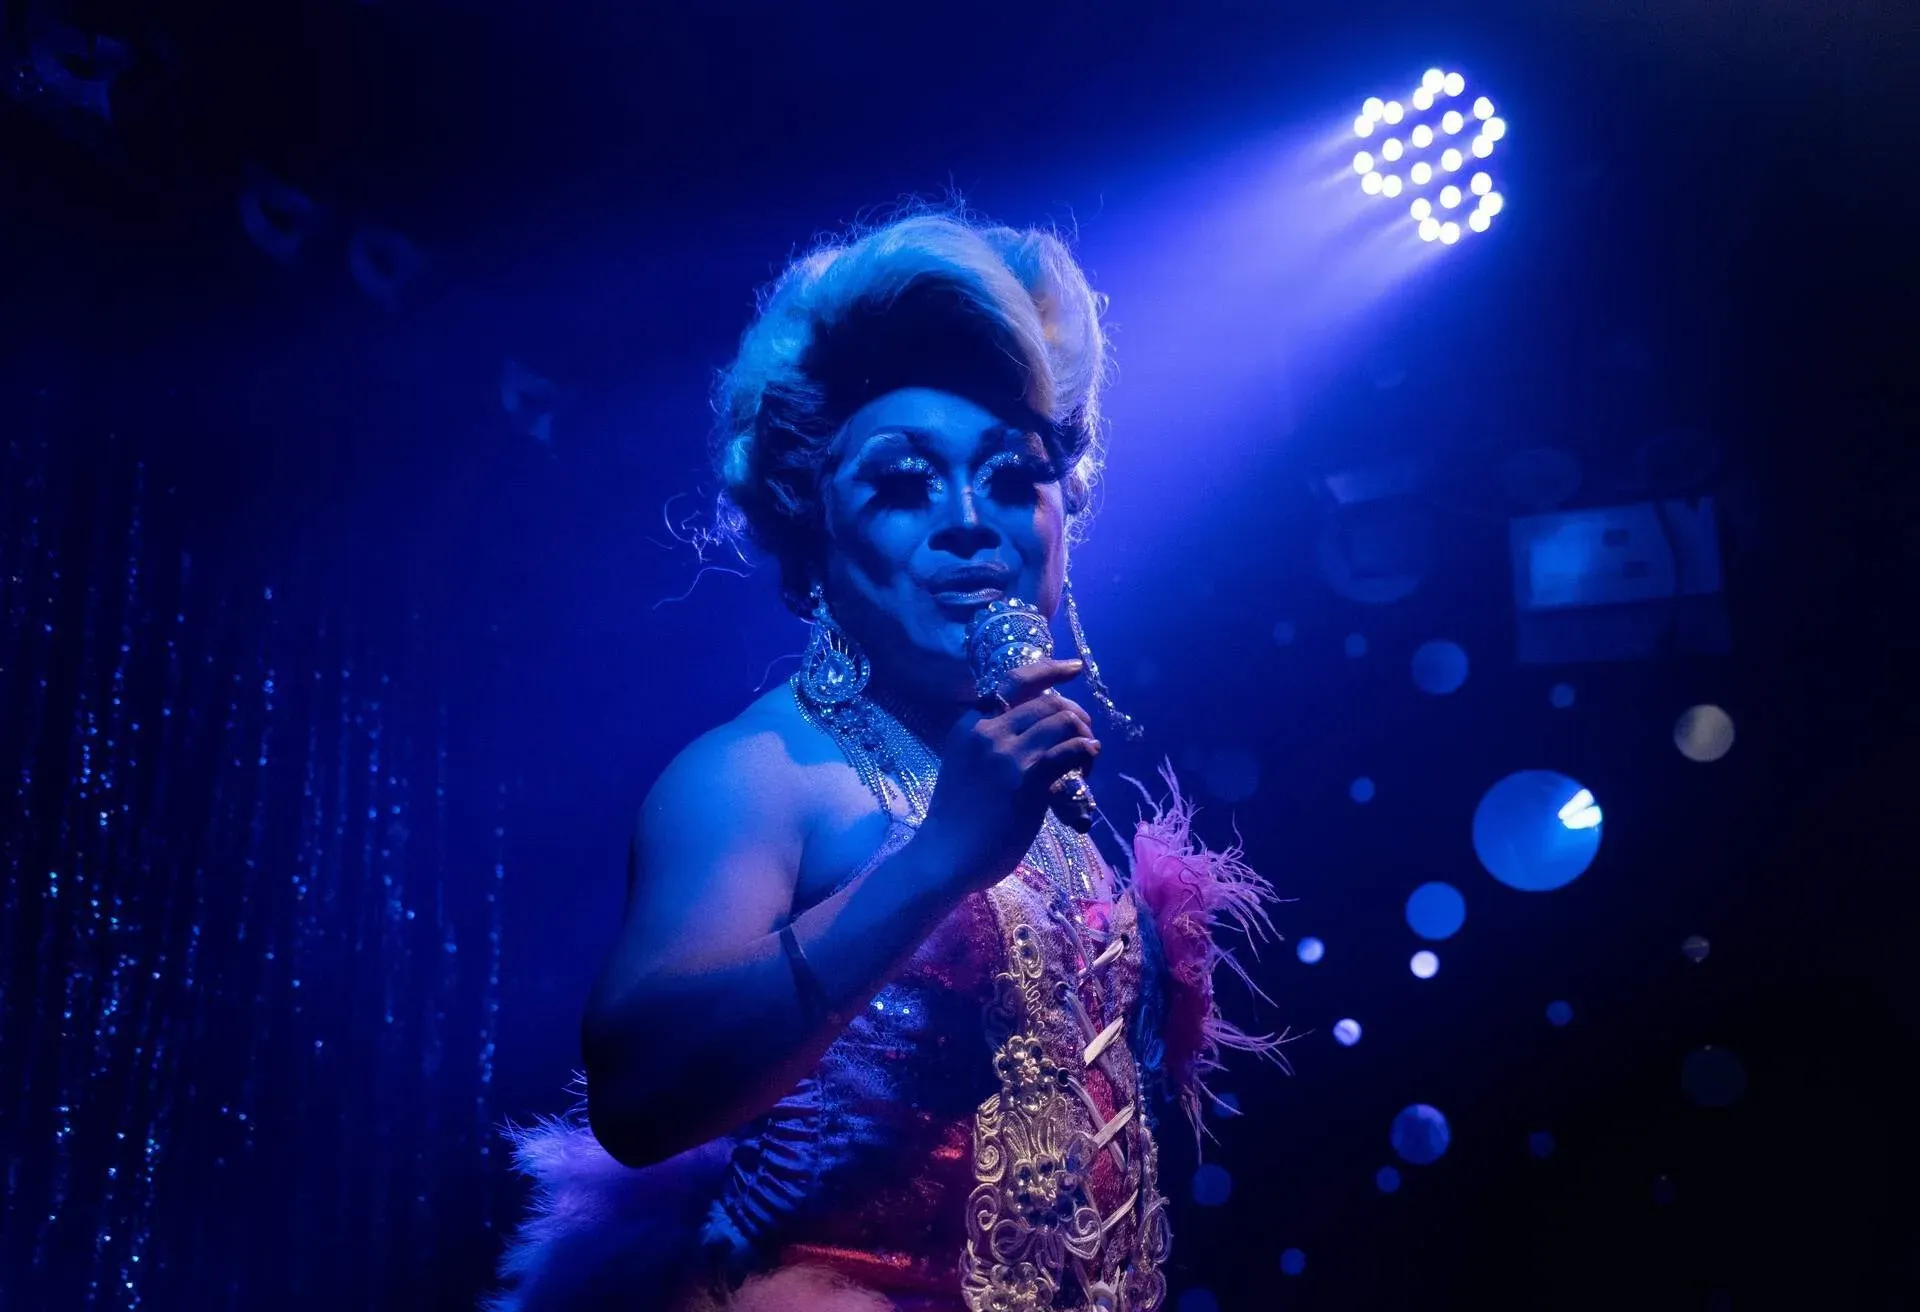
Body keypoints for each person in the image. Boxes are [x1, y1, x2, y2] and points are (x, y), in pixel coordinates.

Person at [485, 211, 1284, 1312]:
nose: (970, 522)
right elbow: (636, 1095)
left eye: (1013, 476)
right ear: (814, 534)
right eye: (905, 485)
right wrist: (934, 861)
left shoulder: (1048, 792)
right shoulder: (759, 775)